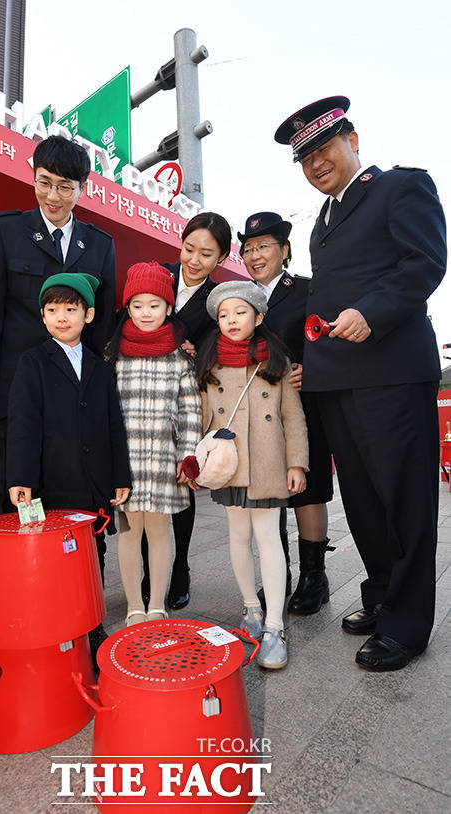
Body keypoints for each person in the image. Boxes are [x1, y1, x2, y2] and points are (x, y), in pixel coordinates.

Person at [274, 95, 446, 670]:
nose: (315, 163)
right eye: (305, 157)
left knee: (404, 498)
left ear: (354, 141)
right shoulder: (321, 221)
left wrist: (372, 310)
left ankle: (408, 624)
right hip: (337, 379)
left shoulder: (400, 187)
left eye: (323, 147)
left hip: (391, 372)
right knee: (366, 502)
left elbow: (425, 262)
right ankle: (381, 596)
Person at [0, 135, 116, 520]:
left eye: (65, 187)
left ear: (82, 189)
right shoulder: (5, 230)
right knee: (13, 490)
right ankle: (13, 575)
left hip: (75, 390)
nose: (53, 195)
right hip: (16, 387)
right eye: (44, 182)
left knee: (70, 486)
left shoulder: (99, 245)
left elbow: (101, 324)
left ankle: (67, 570)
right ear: (33, 178)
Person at [192, 281, 308, 669]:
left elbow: (293, 417)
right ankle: (251, 610)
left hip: (268, 463)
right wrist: (195, 461)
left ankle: (275, 625)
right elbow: (201, 420)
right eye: (223, 315)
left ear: (258, 317)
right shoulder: (210, 364)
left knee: (269, 538)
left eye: (240, 312)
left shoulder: (276, 361)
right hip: (229, 466)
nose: (231, 320)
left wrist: (297, 463)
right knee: (238, 537)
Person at [238, 212, 334, 615]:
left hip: (304, 406)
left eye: (263, 246)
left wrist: (311, 369)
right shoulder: (238, 298)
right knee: (268, 490)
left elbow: (330, 336)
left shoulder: (310, 290)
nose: (255, 255)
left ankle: (315, 576)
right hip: (257, 412)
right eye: (247, 249)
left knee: (307, 490)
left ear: (284, 250)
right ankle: (282, 574)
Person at [141, 211, 232, 610]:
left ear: (222, 258)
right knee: (146, 483)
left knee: (182, 482)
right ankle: (148, 567)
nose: (194, 261)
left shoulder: (217, 300)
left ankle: (179, 568)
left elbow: (218, 351)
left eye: (206, 254)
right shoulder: (155, 274)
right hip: (142, 393)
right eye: (189, 249)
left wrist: (199, 355)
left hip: (184, 399)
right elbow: (128, 318)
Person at [106, 262, 202, 625]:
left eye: (155, 304)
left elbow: (190, 409)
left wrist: (188, 454)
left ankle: (157, 602)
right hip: (126, 460)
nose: (146, 313)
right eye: (137, 305)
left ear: (168, 307)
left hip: (164, 457)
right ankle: (134, 605)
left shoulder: (180, 356)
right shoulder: (113, 353)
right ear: (127, 307)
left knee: (160, 531)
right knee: (130, 532)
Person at [5, 271, 131, 536]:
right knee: (53, 552)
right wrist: (20, 477)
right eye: (52, 309)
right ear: (43, 315)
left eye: (71, 309)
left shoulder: (101, 367)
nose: (61, 317)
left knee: (93, 550)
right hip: (51, 481)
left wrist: (120, 476)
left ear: (89, 315)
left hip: (94, 483)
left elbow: (114, 425)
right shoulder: (33, 362)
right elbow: (22, 424)